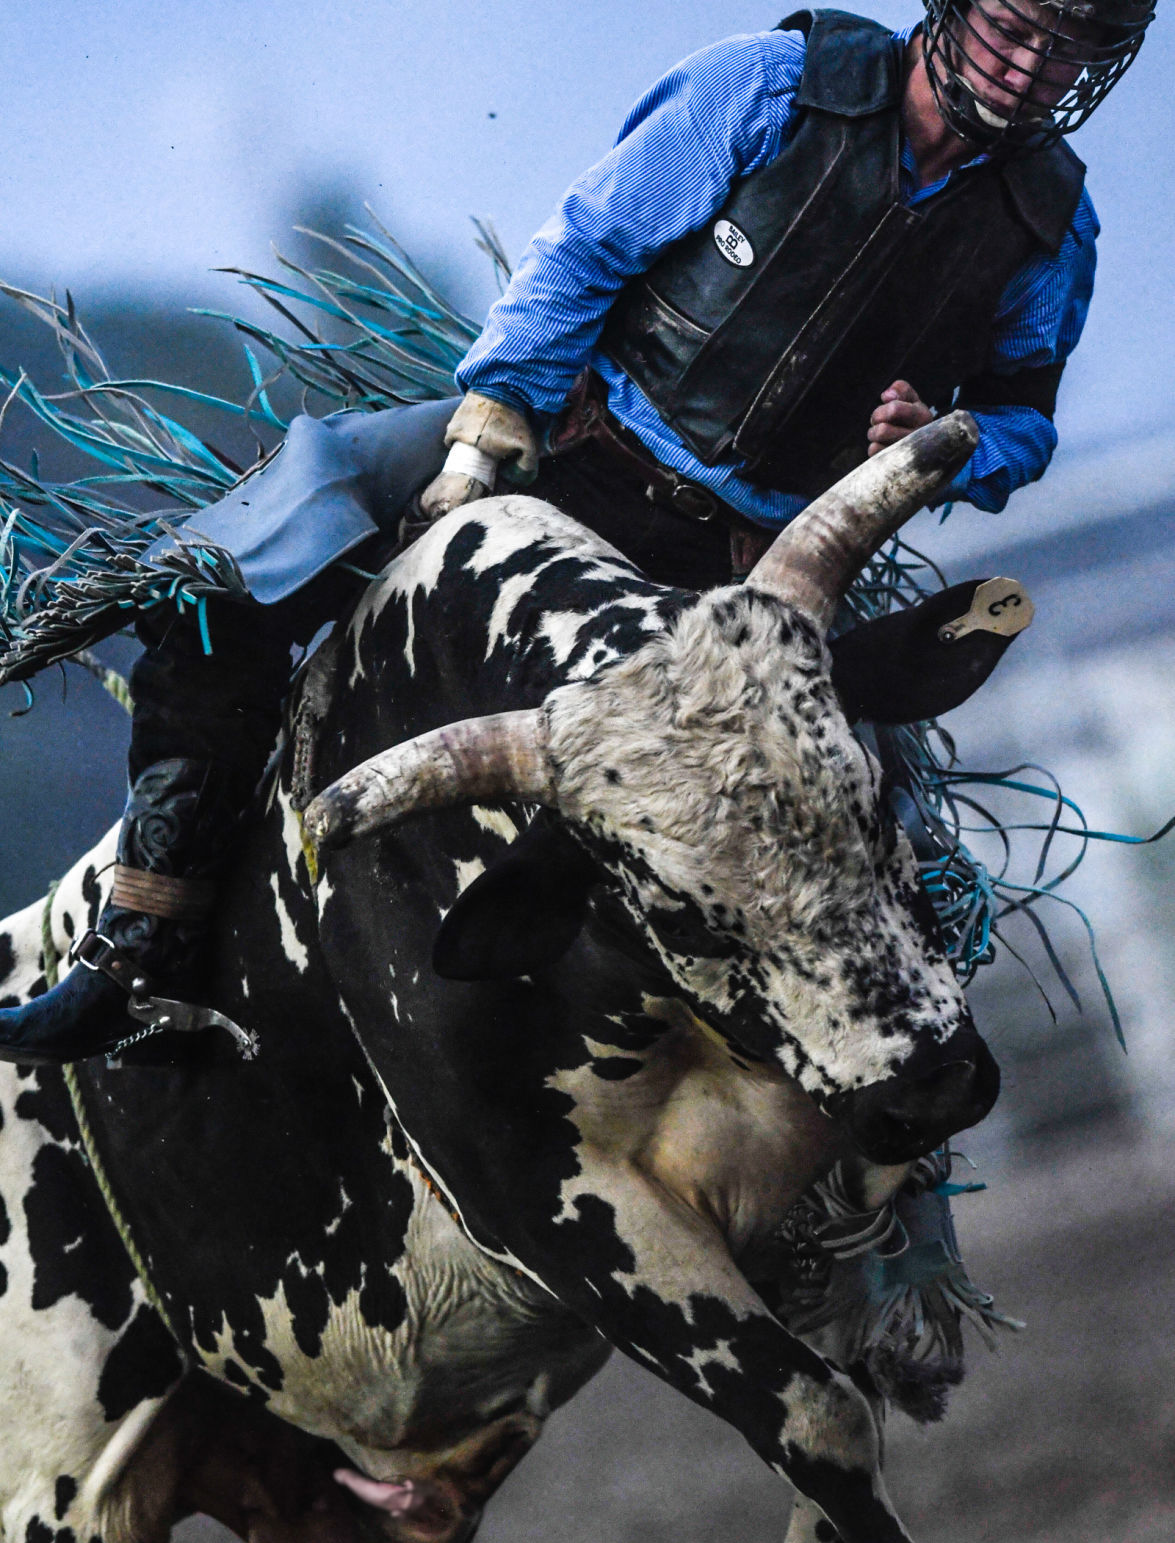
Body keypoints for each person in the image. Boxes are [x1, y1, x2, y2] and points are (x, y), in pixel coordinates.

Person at [0, 0, 1152, 1067]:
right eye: (1012, 27)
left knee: (880, 844)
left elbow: (1023, 418)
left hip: (754, 572)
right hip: (571, 447)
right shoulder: (770, 88)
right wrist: (488, 427)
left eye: (1066, 50)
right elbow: (587, 246)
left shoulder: (1050, 227)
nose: (1027, 67)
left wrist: (949, 439)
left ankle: (884, 1107)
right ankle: (142, 950)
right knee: (226, 582)